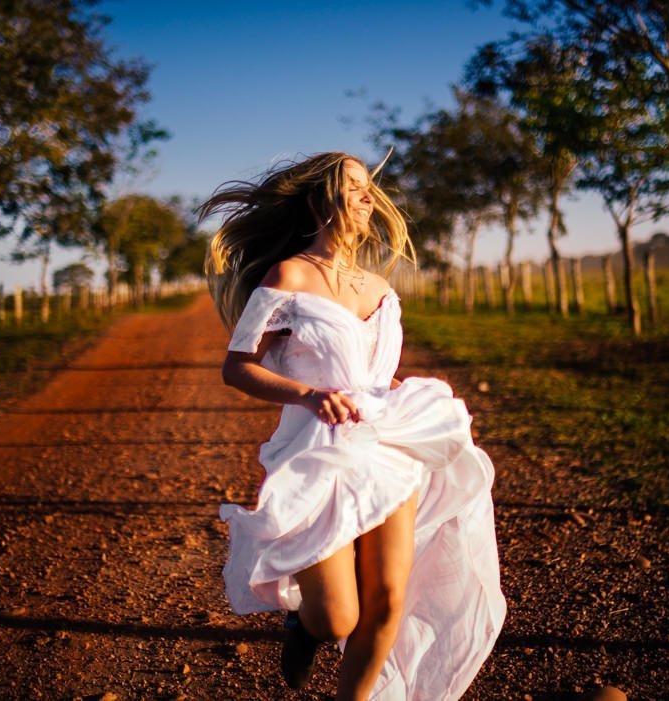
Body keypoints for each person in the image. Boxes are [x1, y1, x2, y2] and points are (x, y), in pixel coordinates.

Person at [200, 152, 505, 700]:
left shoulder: (380, 288)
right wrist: (309, 395)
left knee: (388, 601)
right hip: (318, 452)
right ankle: (305, 623)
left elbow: (377, 375)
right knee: (338, 617)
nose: (369, 198)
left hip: (387, 444)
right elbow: (236, 367)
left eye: (370, 188)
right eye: (355, 187)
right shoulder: (287, 276)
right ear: (322, 200)